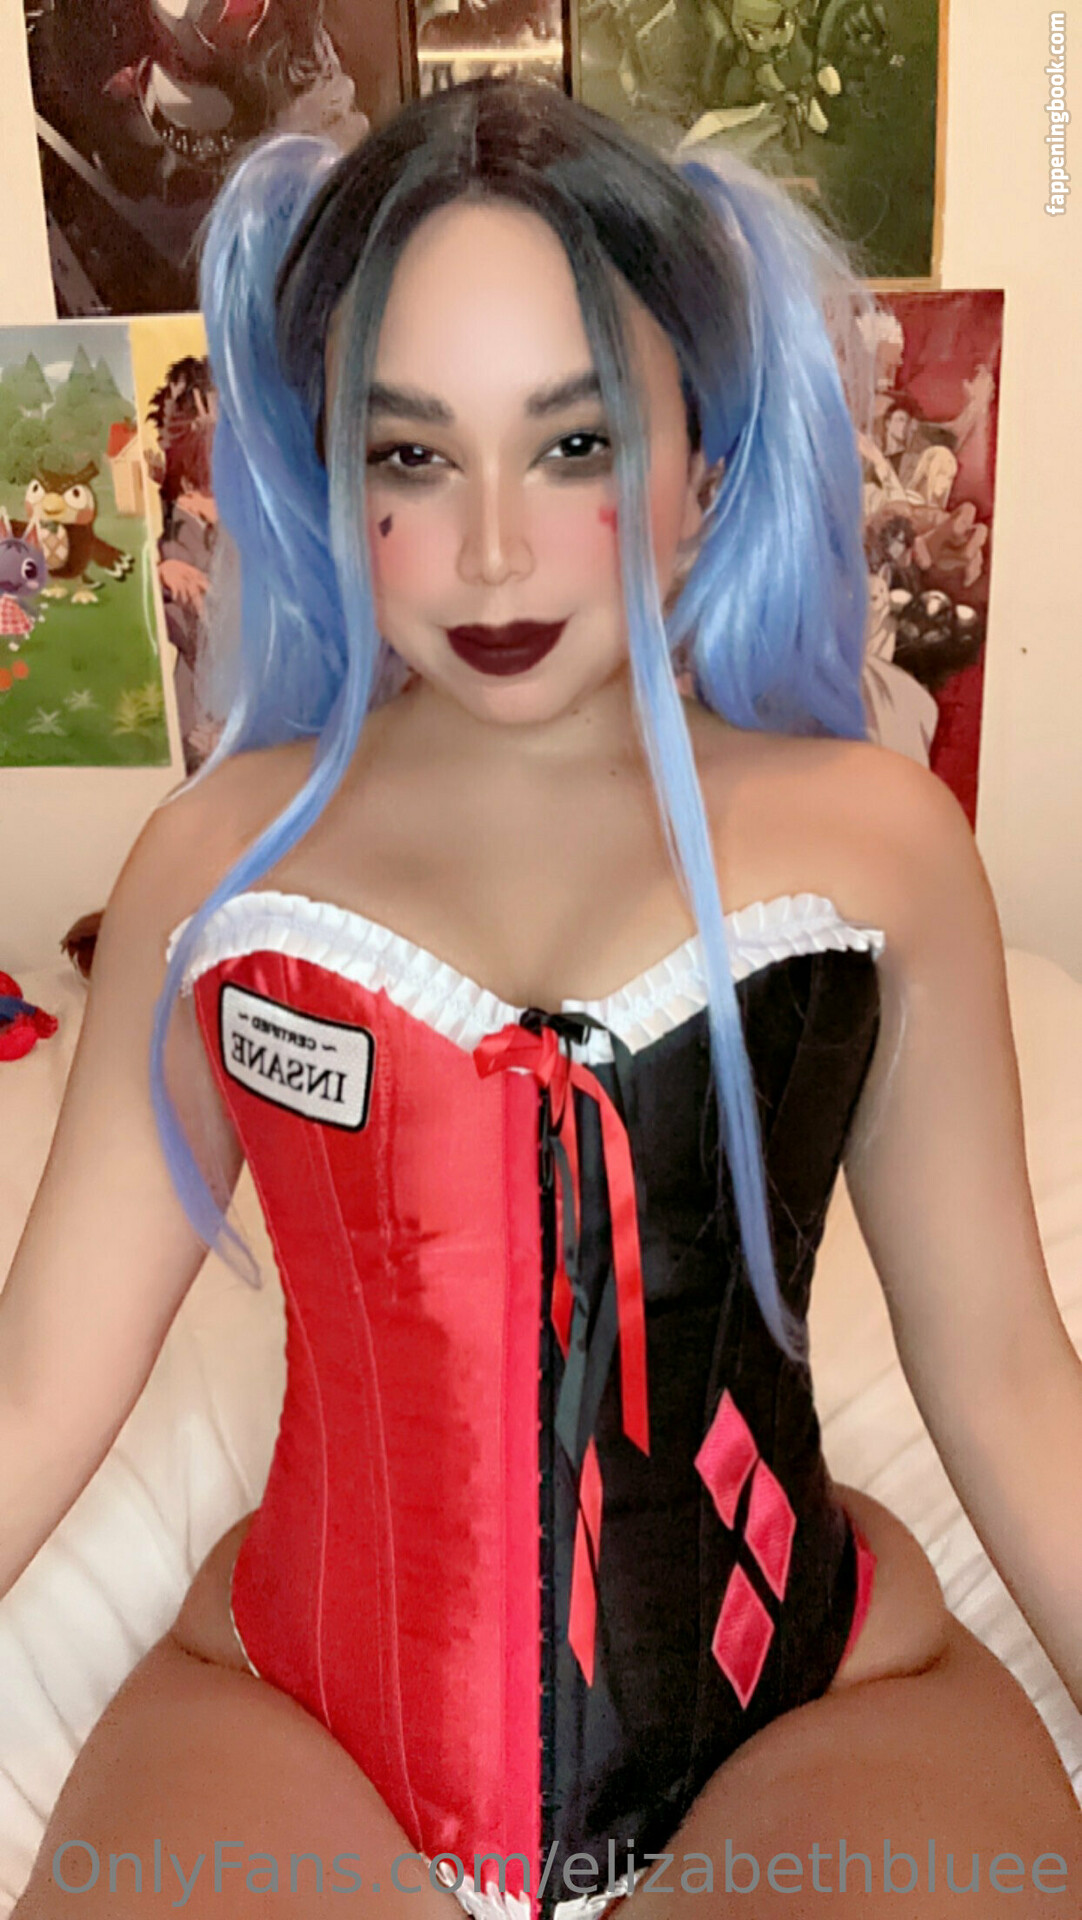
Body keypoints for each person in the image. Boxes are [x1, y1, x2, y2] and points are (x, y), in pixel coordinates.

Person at [3, 77, 1081, 1920]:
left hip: (813, 1702)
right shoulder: (214, 864)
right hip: (295, 1707)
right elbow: (37, 1388)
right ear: (331, 482)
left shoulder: (876, 845)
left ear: (702, 470)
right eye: (412, 456)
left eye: (575, 443)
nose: (493, 546)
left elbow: (1001, 1380)